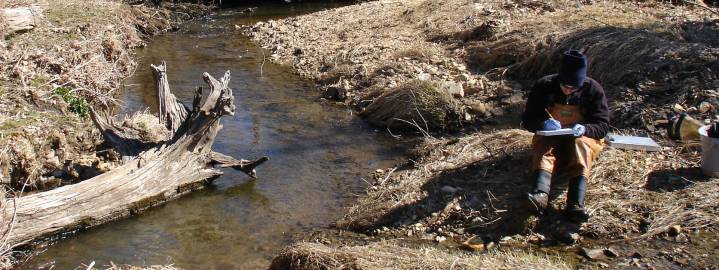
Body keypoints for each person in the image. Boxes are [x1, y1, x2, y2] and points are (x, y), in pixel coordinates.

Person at [521, 50, 610, 223]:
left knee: (581, 145)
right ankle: (539, 194)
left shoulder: (594, 90)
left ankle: (575, 203)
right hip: (552, 138)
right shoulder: (544, 85)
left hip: (582, 139)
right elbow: (528, 119)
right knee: (544, 144)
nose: (568, 90)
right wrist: (542, 124)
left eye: (573, 88)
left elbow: (603, 126)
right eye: (564, 86)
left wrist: (585, 129)